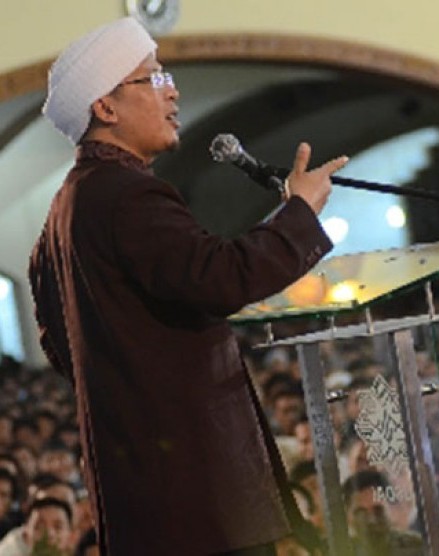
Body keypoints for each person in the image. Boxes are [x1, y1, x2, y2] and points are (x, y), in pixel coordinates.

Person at [29, 17, 347, 555]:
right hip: (194, 494)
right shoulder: (124, 194)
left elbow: (59, 346)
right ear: (105, 107)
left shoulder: (64, 212)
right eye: (151, 79)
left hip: (144, 490)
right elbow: (222, 277)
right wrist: (299, 213)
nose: (172, 89)